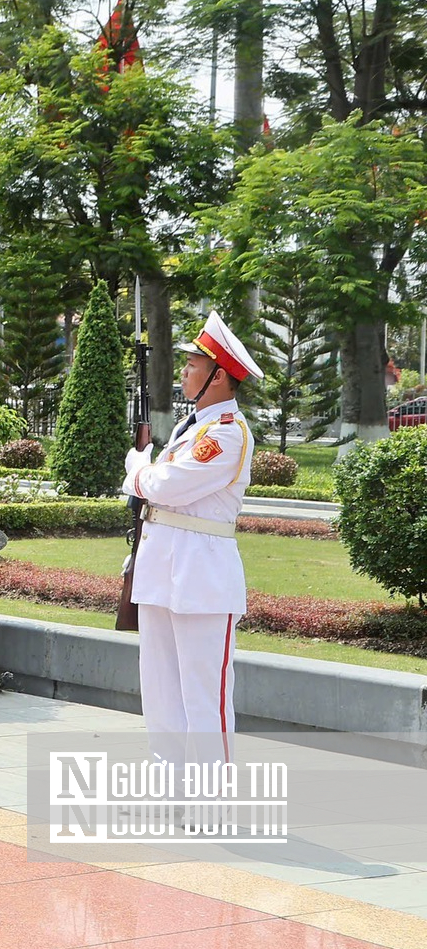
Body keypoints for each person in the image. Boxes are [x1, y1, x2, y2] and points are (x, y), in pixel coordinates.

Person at [123, 310, 259, 779]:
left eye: (193, 365)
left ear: (219, 377)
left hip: (202, 576)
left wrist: (135, 472)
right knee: (160, 689)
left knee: (205, 694)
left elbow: (166, 487)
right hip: (162, 570)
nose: (184, 371)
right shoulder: (193, 428)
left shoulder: (226, 433)